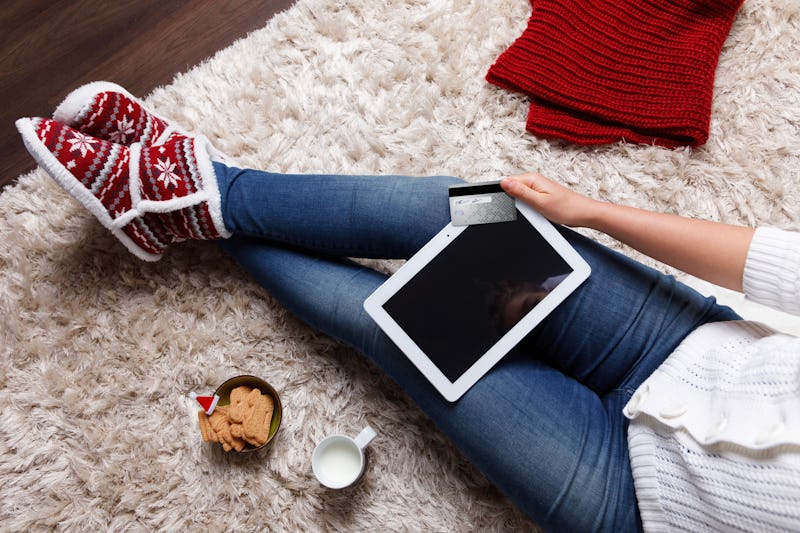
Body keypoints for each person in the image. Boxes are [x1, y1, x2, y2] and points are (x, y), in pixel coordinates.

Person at [16, 82, 800, 532]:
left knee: (393, 328)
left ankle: (180, 194)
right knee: (471, 212)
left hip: (632, 499)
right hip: (682, 341)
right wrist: (591, 211)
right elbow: (775, 264)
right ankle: (209, 189)